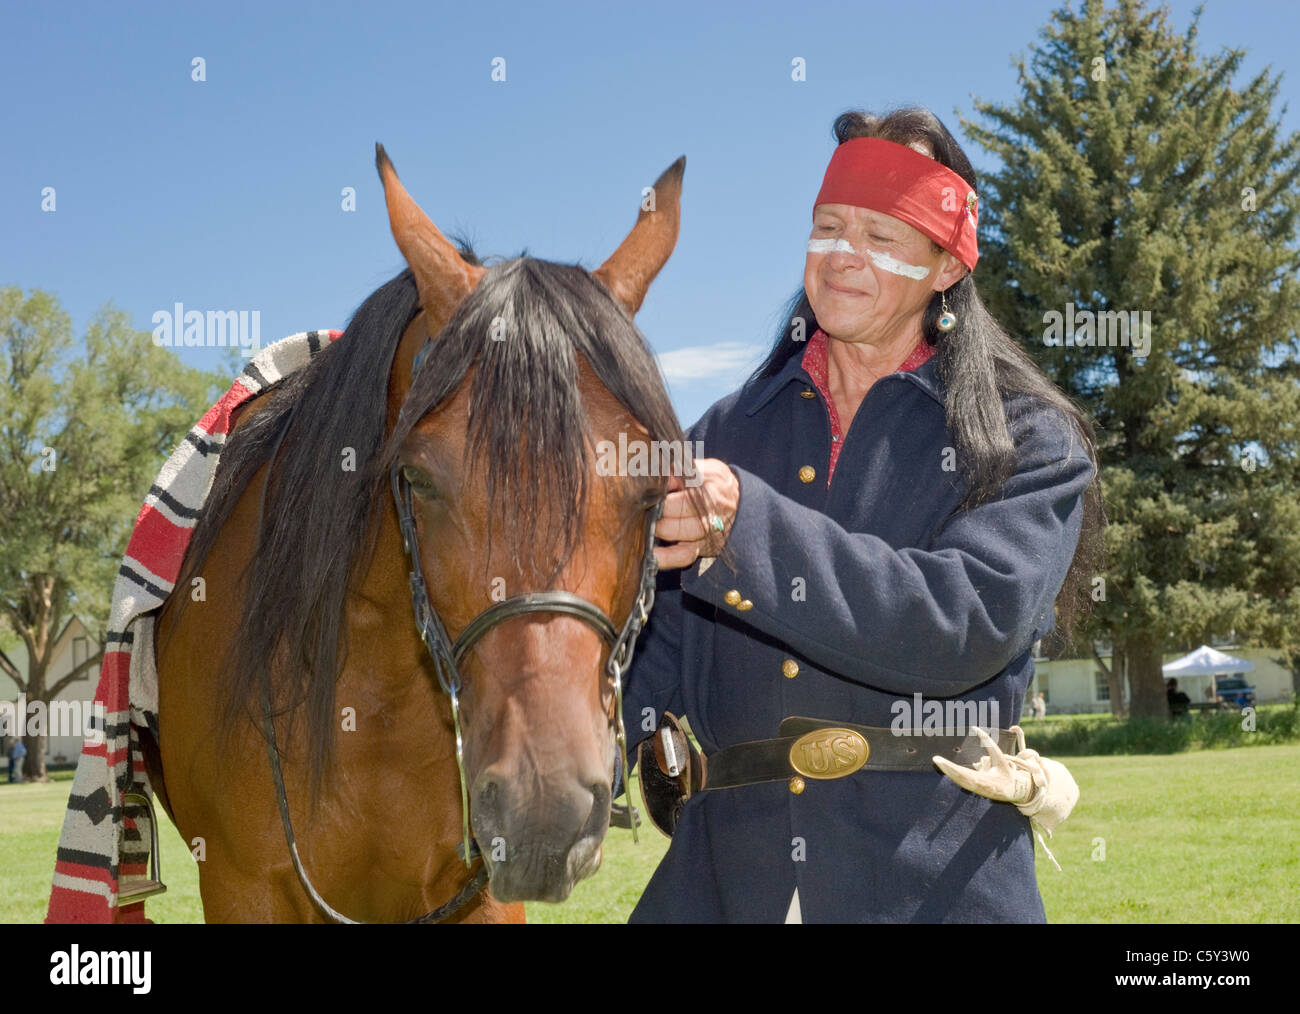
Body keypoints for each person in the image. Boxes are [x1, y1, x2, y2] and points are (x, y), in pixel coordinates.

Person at [622, 106, 1104, 923]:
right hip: (721, 881)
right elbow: (642, 656)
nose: (844, 257)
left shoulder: (1030, 441)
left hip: (937, 887)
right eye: (829, 228)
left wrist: (750, 531)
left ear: (946, 267)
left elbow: (968, 620)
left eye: (884, 238)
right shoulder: (717, 436)